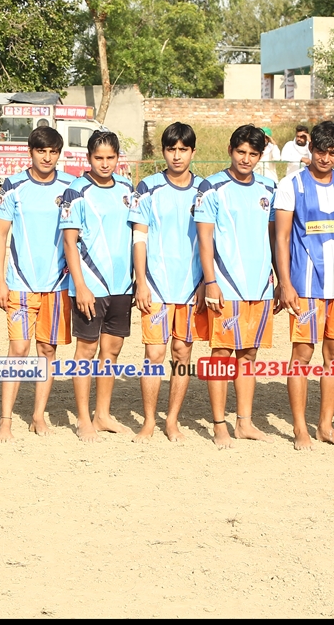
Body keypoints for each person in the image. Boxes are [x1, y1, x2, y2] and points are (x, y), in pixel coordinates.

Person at [195, 124, 278, 448]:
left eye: (253, 154)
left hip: (259, 287)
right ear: (230, 150)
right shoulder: (212, 187)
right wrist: (211, 281)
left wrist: (277, 279)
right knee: (221, 354)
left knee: (249, 353)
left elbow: (274, 237)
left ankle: (244, 422)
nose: (246, 159)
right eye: (241, 152)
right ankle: (219, 424)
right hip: (225, 286)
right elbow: (204, 240)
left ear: (260, 156)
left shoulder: (269, 188)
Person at [274, 120, 334, 451]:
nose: (326, 158)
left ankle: (325, 426)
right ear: (311, 148)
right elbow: (281, 238)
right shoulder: (291, 184)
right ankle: (299, 428)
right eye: (321, 150)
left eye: (333, 153)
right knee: (302, 354)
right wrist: (285, 282)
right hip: (305, 286)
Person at [0, 125, 73, 442]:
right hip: (20, 282)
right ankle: (5, 420)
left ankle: (38, 415)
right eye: (41, 151)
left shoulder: (70, 187)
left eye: (53, 152)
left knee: (47, 350)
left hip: (58, 284)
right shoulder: (13, 186)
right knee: (18, 349)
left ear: (59, 154)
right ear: (31, 152)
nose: (47, 157)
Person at [129, 122, 207, 442]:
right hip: (157, 286)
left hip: (191, 287)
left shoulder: (205, 189)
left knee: (182, 355)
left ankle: (172, 421)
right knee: (154, 355)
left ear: (192, 152)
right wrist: (141, 282)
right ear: (163, 151)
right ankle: (149, 421)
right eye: (171, 149)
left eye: (183, 150)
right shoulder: (147, 188)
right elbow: (139, 238)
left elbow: (211, 240)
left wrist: (206, 282)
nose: (177, 156)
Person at [60, 130, 136, 442]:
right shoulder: (76, 191)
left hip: (122, 285)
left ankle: (102, 414)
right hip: (90, 285)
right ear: (88, 158)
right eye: (98, 158)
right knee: (87, 350)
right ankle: (82, 418)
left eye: (110, 158)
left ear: (118, 158)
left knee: (112, 350)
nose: (105, 164)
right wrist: (80, 285)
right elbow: (69, 242)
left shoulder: (127, 188)